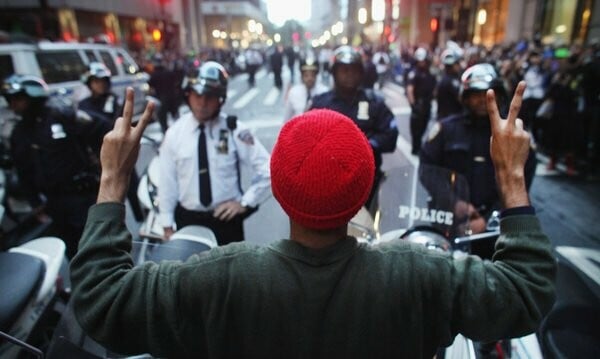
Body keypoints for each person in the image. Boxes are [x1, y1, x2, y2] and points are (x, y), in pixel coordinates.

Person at [70, 85, 555, 358]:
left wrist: (112, 179)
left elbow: (100, 301)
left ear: (279, 192)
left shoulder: (219, 277)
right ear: (363, 192)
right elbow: (526, 294)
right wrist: (511, 176)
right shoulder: (417, 275)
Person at [158, 61, 271, 245]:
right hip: (188, 221)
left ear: (220, 98)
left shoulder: (234, 130)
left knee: (231, 274)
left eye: (210, 97)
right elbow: (167, 182)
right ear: (188, 94)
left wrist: (244, 203)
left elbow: (268, 169)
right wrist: (167, 224)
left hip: (226, 222)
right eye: (197, 95)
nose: (202, 103)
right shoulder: (174, 134)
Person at [1, 74, 111, 258]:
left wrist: (105, 167)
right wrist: (35, 203)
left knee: (100, 249)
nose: (14, 105)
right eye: (11, 100)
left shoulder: (63, 115)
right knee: (73, 253)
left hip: (83, 196)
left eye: (18, 99)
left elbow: (104, 130)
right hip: (54, 203)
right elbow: (23, 171)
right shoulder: (19, 133)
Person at [420, 64, 537, 234]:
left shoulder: (513, 135)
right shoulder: (446, 129)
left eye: (490, 94)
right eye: (477, 94)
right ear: (465, 98)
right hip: (448, 218)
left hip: (496, 226)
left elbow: (522, 181)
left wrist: (487, 218)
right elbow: (427, 170)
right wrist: (454, 203)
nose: (483, 100)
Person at [309, 45, 398, 211]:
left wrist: (363, 145)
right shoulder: (320, 103)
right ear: (334, 72)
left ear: (361, 73)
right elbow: (307, 140)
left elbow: (391, 138)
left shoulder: (374, 102)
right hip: (329, 183)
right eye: (344, 70)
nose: (349, 75)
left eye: (354, 70)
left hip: (367, 183)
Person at [78, 62, 144, 222]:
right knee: (104, 200)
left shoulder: (116, 101)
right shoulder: (83, 104)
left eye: (102, 81)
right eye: (95, 81)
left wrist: (94, 120)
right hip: (97, 157)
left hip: (121, 154)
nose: (99, 85)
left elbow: (114, 125)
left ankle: (141, 221)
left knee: (132, 189)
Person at [406, 47, 437, 154]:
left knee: (424, 126)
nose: (422, 62)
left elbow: (434, 89)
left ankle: (418, 146)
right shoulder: (414, 73)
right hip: (418, 104)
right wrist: (413, 105)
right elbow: (410, 89)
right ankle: (416, 148)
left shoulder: (430, 73)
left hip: (427, 104)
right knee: (416, 130)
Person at [436, 49, 463, 120]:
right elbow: (460, 98)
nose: (459, 65)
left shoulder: (445, 78)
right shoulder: (451, 81)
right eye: (457, 63)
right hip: (450, 117)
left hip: (445, 116)